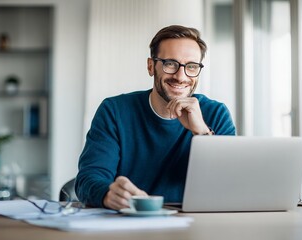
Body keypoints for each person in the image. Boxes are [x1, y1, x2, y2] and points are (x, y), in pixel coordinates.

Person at [75, 25, 236, 210]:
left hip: (195, 223)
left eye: (191, 66)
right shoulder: (114, 111)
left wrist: (202, 133)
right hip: (128, 222)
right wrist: (107, 194)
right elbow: (87, 180)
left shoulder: (216, 114)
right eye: (170, 64)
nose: (181, 76)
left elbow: (226, 185)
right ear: (151, 66)